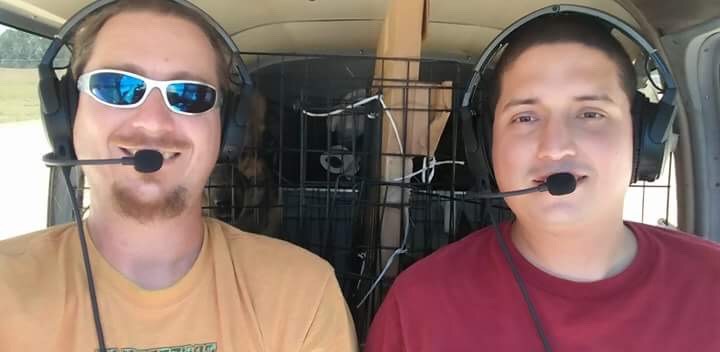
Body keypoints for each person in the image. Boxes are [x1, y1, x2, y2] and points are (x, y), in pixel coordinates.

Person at [0, 1, 357, 351]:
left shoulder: (301, 295)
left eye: (190, 95)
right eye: (116, 86)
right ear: (66, 113)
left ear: (228, 129)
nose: (153, 121)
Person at [365, 12, 720, 352]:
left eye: (590, 113)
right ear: (485, 147)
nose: (555, 147)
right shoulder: (420, 305)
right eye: (525, 117)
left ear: (643, 139)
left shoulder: (712, 284)